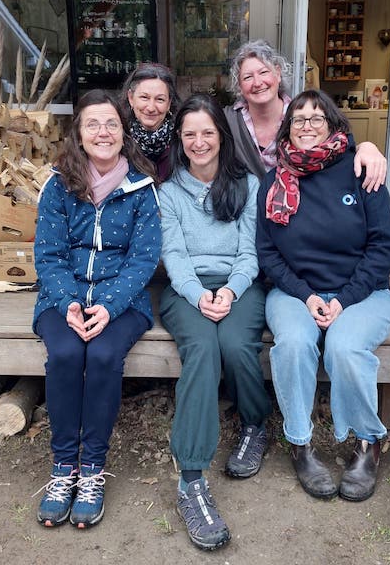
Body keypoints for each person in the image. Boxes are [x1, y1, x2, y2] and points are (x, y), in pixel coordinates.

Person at [256, 89, 390, 503]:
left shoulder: (361, 172)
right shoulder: (274, 181)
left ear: (334, 126)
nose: (307, 126)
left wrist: (344, 299)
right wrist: (305, 295)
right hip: (294, 292)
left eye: (317, 118)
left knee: (344, 346)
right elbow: (268, 254)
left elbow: (384, 249)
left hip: (363, 292)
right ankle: (300, 443)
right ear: (287, 128)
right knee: (295, 344)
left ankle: (368, 443)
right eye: (298, 119)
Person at [32, 89, 161, 529]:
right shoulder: (59, 186)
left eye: (111, 124)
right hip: (62, 297)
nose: (103, 132)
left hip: (122, 300)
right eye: (93, 124)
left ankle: (92, 471)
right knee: (66, 355)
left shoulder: (142, 189)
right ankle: (64, 467)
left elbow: (144, 258)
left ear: (123, 133)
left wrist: (107, 304)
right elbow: (48, 255)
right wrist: (69, 302)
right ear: (79, 134)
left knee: (104, 356)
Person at [159, 94, 272, 550]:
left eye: (207, 132)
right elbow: (174, 257)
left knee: (236, 345)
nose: (199, 141)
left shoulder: (247, 185)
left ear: (221, 138)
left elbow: (251, 252)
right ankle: (191, 478)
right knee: (203, 348)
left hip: (239, 284)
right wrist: (200, 294)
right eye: (190, 134)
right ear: (180, 141)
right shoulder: (168, 193)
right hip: (186, 289)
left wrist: (229, 291)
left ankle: (254, 424)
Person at [224, 39, 388, 189]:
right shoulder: (229, 121)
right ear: (239, 85)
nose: (257, 83)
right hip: (247, 213)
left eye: (264, 72)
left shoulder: (304, 114)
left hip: (301, 210)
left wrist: (366, 147)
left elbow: (336, 145)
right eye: (247, 77)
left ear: (278, 73)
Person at [120, 62, 181, 182]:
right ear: (131, 98)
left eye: (160, 99)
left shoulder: (181, 141)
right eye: (144, 97)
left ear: (169, 104)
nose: (151, 108)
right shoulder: (119, 140)